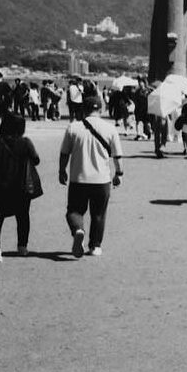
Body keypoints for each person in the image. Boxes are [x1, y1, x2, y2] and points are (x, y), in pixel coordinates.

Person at [59, 94, 123, 257]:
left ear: (83, 109)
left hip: (78, 178)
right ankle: (95, 246)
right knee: (99, 214)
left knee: (74, 211)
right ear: (101, 109)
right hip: (102, 180)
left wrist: (62, 170)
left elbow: (64, 153)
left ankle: (78, 229)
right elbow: (117, 155)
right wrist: (119, 173)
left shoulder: (73, 127)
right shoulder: (110, 128)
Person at [0, 112, 40, 262]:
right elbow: (36, 160)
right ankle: (22, 246)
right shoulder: (25, 142)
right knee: (22, 216)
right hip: (20, 186)